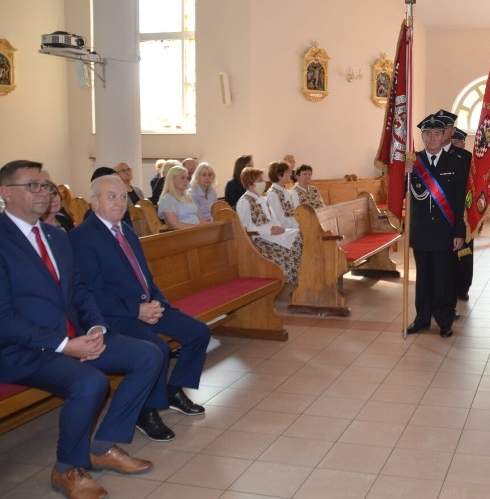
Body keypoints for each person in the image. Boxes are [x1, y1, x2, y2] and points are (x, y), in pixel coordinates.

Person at [0, 160, 161, 499]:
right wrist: (64, 345)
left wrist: (98, 326)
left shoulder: (57, 237)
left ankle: (102, 446)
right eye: (33, 186)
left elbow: (80, 291)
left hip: (73, 337)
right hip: (21, 348)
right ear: (5, 192)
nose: (43, 192)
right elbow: (4, 317)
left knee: (149, 354)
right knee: (90, 382)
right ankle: (66, 469)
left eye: (46, 185)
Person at [70, 175, 211, 443]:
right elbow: (92, 292)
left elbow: (145, 275)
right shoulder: (82, 237)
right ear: (94, 201)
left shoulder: (127, 230)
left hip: (147, 306)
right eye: (111, 196)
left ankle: (173, 390)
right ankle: (146, 411)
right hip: (117, 316)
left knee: (199, 333)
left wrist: (158, 301)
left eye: (123, 196)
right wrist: (137, 310)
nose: (120, 202)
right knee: (157, 349)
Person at [406, 115, 467, 338]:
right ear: (422, 136)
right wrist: (403, 172)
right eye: (427, 134)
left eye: (436, 134)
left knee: (444, 279)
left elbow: (460, 202)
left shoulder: (456, 163)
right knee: (423, 279)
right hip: (421, 231)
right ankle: (421, 319)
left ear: (444, 136)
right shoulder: (412, 162)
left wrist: (459, 232)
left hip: (446, 232)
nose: (432, 138)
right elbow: (403, 193)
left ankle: (444, 321)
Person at [236, 167, 302, 285]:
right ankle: (294, 281)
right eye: (260, 180)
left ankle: (302, 277)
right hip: (261, 239)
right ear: (251, 184)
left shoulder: (263, 199)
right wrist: (268, 231)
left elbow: (274, 219)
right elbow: (245, 229)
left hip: (274, 234)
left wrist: (279, 228)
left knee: (300, 234)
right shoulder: (244, 202)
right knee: (296, 241)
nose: (263, 182)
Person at [436, 109, 474, 303]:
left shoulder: (464, 157)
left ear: (452, 129)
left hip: (461, 214)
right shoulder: (429, 154)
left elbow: (473, 187)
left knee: (463, 255)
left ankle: (462, 286)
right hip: (438, 218)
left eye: (446, 127)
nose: (442, 131)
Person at [266, 160, 300, 228]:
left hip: (293, 228)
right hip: (285, 232)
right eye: (287, 172)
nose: (290, 174)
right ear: (279, 175)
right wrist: (296, 228)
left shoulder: (286, 191)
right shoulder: (272, 194)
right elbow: (278, 219)